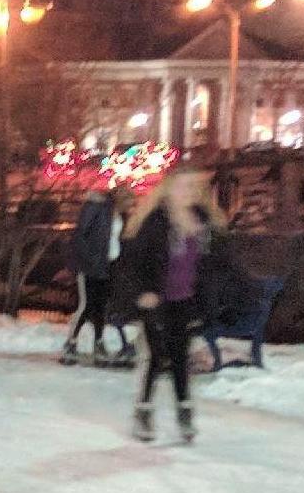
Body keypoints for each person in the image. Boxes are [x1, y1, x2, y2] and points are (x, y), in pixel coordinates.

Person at [119, 162, 227, 444]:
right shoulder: (156, 221)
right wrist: (143, 291)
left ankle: (184, 412)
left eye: (193, 186)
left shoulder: (205, 222)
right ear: (168, 189)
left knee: (180, 357)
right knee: (156, 356)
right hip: (156, 300)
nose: (188, 192)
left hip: (185, 301)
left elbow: (215, 265)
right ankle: (143, 412)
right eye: (182, 186)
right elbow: (133, 263)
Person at [61, 182, 136, 367]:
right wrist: (90, 260)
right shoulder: (98, 209)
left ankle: (99, 341)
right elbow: (80, 236)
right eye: (128, 201)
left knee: (101, 307)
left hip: (108, 265)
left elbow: (118, 240)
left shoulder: (121, 215)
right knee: (86, 306)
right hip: (91, 266)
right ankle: (71, 342)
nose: (130, 206)